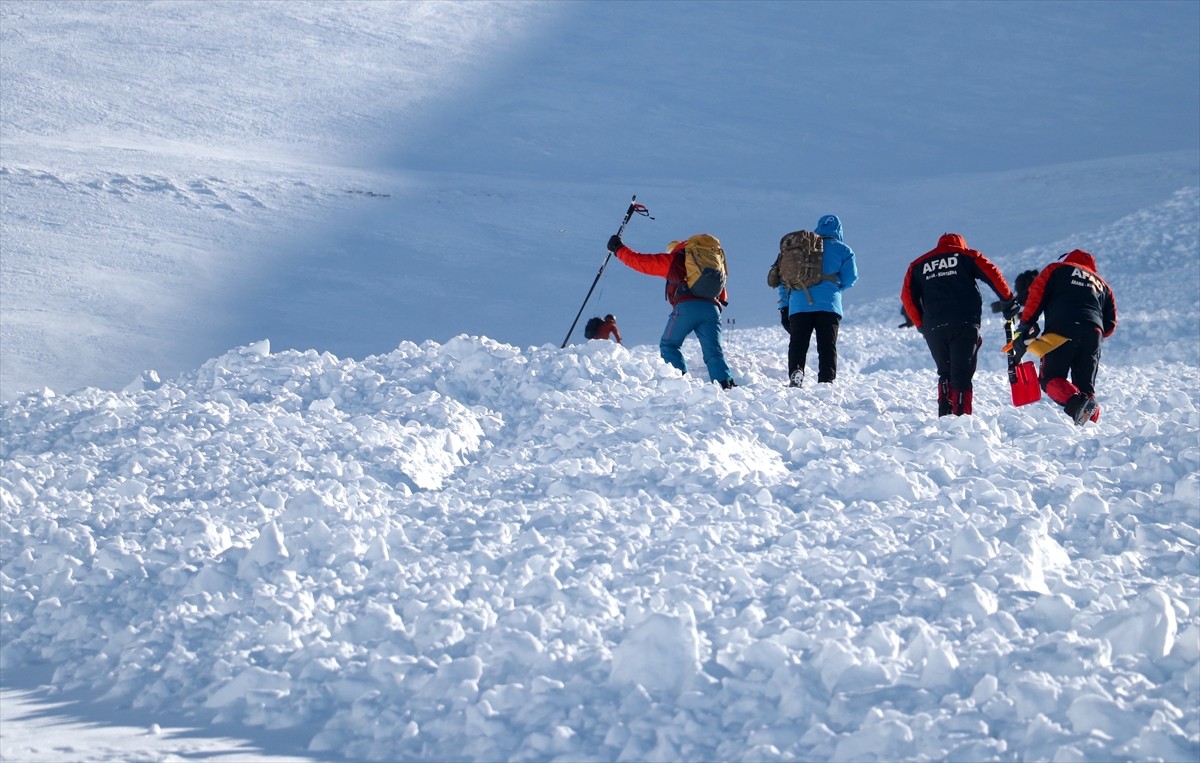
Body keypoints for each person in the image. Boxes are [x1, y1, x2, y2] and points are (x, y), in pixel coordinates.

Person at [901, 233, 1017, 416]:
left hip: (935, 327)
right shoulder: (967, 256)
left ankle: (945, 415)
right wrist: (1008, 300)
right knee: (962, 373)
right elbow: (992, 273)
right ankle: (961, 417)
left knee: (945, 372)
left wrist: (921, 324)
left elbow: (907, 296)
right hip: (964, 322)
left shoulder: (918, 265)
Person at [606, 233, 736, 389]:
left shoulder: (676, 259)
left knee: (669, 345)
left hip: (687, 308)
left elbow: (641, 262)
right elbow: (722, 293)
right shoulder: (706, 261)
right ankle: (726, 384)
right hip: (712, 309)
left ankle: (678, 385)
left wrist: (618, 249)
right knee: (714, 352)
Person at [1016, 249, 1116, 425]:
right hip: (1094, 333)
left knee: (1051, 378)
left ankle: (1076, 405)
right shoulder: (1104, 285)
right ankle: (1091, 425)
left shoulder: (1057, 269)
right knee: (1086, 388)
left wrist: (1026, 324)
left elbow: (1036, 296)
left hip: (1061, 328)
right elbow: (1110, 324)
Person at [775, 214, 858, 386]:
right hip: (829, 305)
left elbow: (783, 279)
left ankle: (796, 372)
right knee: (827, 345)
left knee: (798, 343)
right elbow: (851, 277)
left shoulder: (801, 248)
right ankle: (826, 381)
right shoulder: (843, 249)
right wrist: (835, 288)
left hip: (798, 305)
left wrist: (784, 307)